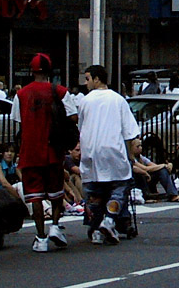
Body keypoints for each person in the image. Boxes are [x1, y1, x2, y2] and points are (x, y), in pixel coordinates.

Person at [11, 53, 77, 252]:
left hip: (30, 151)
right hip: (53, 149)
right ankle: (55, 226)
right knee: (57, 193)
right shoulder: (59, 91)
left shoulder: (21, 95)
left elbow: (18, 123)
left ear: (31, 71)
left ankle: (40, 238)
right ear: (50, 71)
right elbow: (74, 116)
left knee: (35, 196)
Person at [79, 64, 141, 246]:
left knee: (95, 193)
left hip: (91, 150)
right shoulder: (118, 100)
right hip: (112, 149)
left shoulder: (85, 101)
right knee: (120, 186)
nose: (86, 82)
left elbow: (81, 127)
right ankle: (110, 219)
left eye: (88, 78)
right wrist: (130, 155)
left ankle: (96, 228)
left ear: (97, 79)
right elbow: (130, 132)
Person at [130, 138, 179, 203]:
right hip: (137, 182)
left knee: (162, 170)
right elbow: (144, 168)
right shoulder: (131, 158)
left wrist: (166, 166)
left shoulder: (141, 157)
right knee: (140, 174)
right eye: (138, 146)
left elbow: (153, 165)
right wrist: (163, 165)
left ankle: (173, 195)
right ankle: (146, 196)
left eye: (141, 146)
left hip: (148, 179)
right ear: (131, 148)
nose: (141, 148)